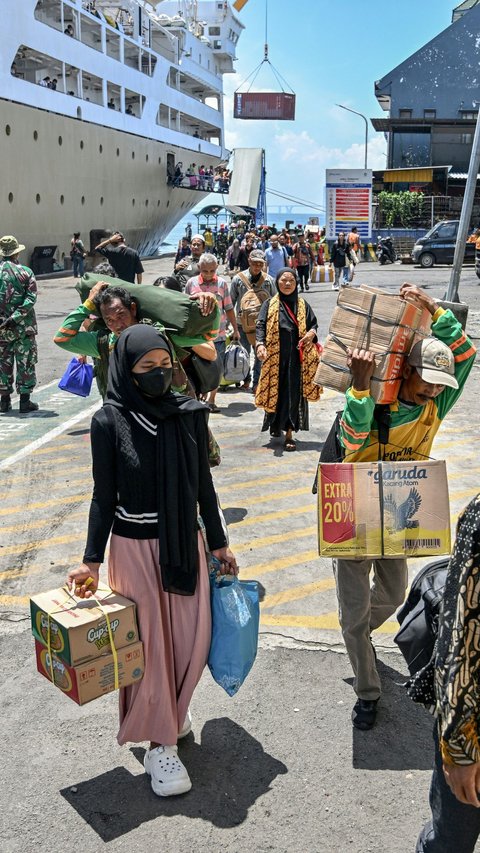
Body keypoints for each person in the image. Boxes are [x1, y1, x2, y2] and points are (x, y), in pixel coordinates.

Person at [66, 324, 238, 797]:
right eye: (148, 368)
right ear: (126, 369)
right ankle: (159, 745)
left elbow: (203, 483)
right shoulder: (108, 421)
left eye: (166, 366)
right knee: (152, 652)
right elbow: (104, 496)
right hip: (134, 549)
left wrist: (219, 543)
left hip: (186, 542)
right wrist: (91, 561)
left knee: (191, 641)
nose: (160, 375)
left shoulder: (188, 414)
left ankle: (173, 710)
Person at [334, 283, 476, 732]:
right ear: (406, 373)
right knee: (353, 614)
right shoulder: (369, 403)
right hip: (354, 516)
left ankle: (355, 636)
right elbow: (350, 441)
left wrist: (434, 308)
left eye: (440, 387)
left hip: (395, 517)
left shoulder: (436, 403)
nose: (434, 393)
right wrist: (359, 388)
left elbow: (466, 355)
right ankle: (367, 691)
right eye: (427, 383)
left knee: (394, 595)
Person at [412, 494, 480, 853]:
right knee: (450, 842)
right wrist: (460, 749)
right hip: (474, 737)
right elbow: (457, 644)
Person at [54, 283, 218, 398]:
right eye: (109, 320)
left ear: (132, 308)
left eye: (121, 315)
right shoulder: (103, 343)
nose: (117, 325)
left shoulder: (158, 335)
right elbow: (62, 338)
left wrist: (211, 304)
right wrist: (88, 305)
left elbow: (208, 334)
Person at [255, 267, 321, 451]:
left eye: (291, 281)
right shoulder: (269, 304)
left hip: (296, 360)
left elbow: (313, 324)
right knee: (276, 393)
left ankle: (290, 433)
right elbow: (260, 325)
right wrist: (260, 344)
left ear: (296, 283)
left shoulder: (302, 305)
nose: (287, 284)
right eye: (283, 280)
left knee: (292, 394)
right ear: (277, 282)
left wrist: (311, 333)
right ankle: (276, 425)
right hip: (275, 358)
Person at [185, 253, 240, 413]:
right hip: (197, 336)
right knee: (197, 366)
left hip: (218, 335)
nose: (208, 274)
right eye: (205, 271)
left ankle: (212, 399)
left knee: (217, 368)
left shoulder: (222, 284)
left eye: (211, 271)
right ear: (199, 268)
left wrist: (236, 329)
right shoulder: (191, 283)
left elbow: (229, 308)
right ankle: (198, 395)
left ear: (216, 268)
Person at [0, 235, 39, 414]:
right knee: (25, 361)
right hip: (23, 327)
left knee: (3, 363)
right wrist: (16, 317)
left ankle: (4, 401)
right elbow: (31, 298)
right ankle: (24, 401)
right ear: (16, 253)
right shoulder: (26, 272)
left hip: (1, 328)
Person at [230, 250, 275, 393]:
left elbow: (275, 302)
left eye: (260, 264)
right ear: (249, 261)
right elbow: (230, 302)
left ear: (264, 264)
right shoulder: (238, 279)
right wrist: (230, 325)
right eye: (254, 263)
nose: (257, 266)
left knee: (259, 353)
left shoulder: (269, 281)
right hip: (241, 323)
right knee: (244, 353)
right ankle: (246, 378)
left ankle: (257, 382)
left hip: (262, 325)